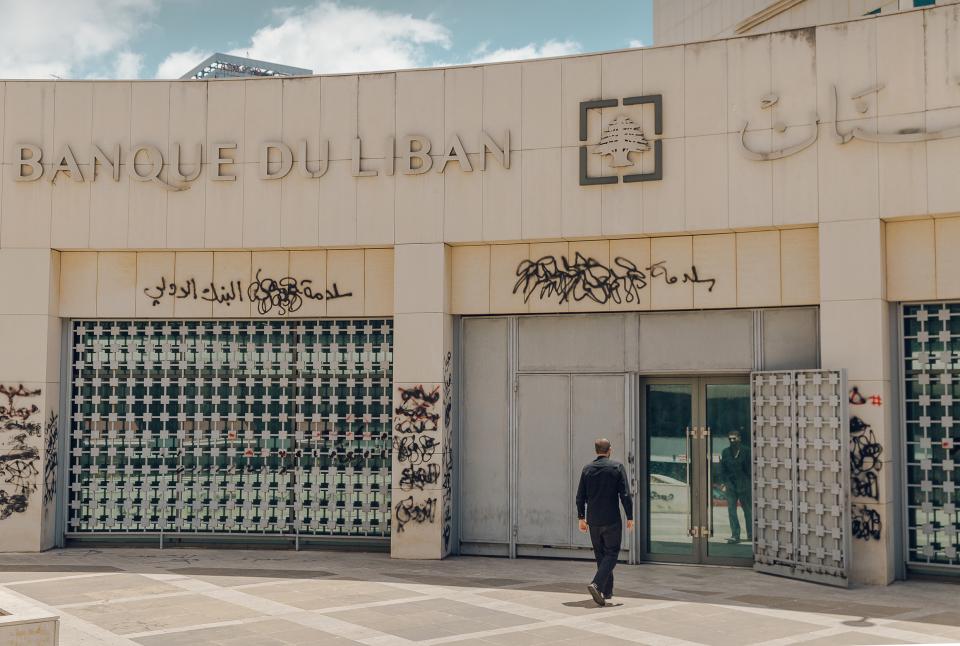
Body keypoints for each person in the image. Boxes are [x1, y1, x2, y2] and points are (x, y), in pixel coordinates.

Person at [576, 438, 633, 607]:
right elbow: (624, 495)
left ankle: (606, 591)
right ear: (610, 450)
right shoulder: (616, 467)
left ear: (596, 451)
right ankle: (596, 584)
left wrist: (581, 518)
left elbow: (580, 496)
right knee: (612, 554)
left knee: (601, 555)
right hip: (612, 520)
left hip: (593, 520)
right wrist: (630, 516)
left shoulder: (587, 469)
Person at [717, 429, 751, 544]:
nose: (732, 441)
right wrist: (723, 482)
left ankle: (751, 534)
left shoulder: (747, 451)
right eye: (730, 439)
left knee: (748, 510)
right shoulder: (725, 452)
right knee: (731, 510)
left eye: (734, 438)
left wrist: (749, 483)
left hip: (744, 485)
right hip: (731, 485)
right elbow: (722, 469)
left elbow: (750, 470)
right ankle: (735, 535)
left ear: (739, 439)